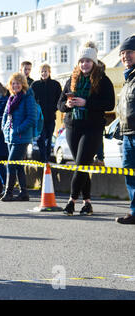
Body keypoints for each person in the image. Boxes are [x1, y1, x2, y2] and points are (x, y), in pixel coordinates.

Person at [58, 41, 115, 216]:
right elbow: (59, 104)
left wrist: (86, 103)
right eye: (82, 61)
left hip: (92, 128)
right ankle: (87, 203)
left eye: (88, 61)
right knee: (81, 166)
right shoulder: (71, 80)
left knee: (81, 164)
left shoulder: (103, 80)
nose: (84, 64)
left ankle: (71, 201)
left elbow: (110, 103)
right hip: (73, 126)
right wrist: (67, 105)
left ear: (94, 62)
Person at [1, 73, 37, 202]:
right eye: (13, 83)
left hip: (21, 137)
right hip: (10, 137)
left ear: (23, 84)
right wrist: (4, 129)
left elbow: (31, 118)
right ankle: (24, 193)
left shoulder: (28, 98)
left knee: (10, 164)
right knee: (18, 165)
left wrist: (17, 130)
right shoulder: (11, 98)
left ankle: (8, 192)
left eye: (18, 83)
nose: (15, 85)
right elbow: (5, 115)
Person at [115, 35, 135, 224]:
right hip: (127, 135)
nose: (125, 56)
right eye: (122, 53)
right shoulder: (128, 79)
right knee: (130, 174)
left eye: (129, 52)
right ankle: (134, 212)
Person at [31, 63, 62, 163]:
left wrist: (54, 108)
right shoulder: (35, 85)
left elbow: (60, 99)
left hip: (51, 117)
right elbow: (31, 99)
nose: (44, 73)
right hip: (39, 118)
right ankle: (43, 158)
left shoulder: (55, 84)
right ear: (39, 73)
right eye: (42, 72)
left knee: (49, 138)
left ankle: (47, 156)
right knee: (41, 137)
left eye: (46, 71)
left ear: (49, 72)